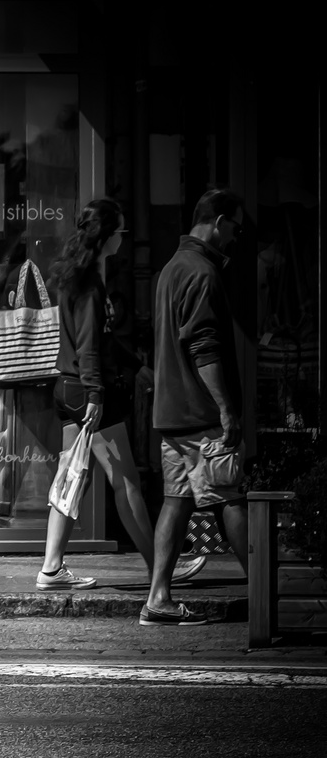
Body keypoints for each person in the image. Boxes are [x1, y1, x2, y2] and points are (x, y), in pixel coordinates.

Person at [35, 199, 206, 590]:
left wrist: (135, 365)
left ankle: (50, 568)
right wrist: (97, 394)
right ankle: (160, 569)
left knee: (71, 476)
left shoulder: (72, 276)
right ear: (108, 236)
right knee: (125, 480)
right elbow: (90, 347)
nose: (124, 240)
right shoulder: (91, 284)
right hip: (89, 393)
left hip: (68, 389)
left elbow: (101, 342)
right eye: (121, 233)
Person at [143, 188, 251, 626]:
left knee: (176, 501)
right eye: (236, 227)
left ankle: (158, 598)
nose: (236, 237)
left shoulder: (170, 268)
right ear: (219, 221)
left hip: (171, 414)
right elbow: (204, 349)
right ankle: (267, 594)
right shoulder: (203, 273)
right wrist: (227, 409)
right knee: (232, 500)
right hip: (202, 414)